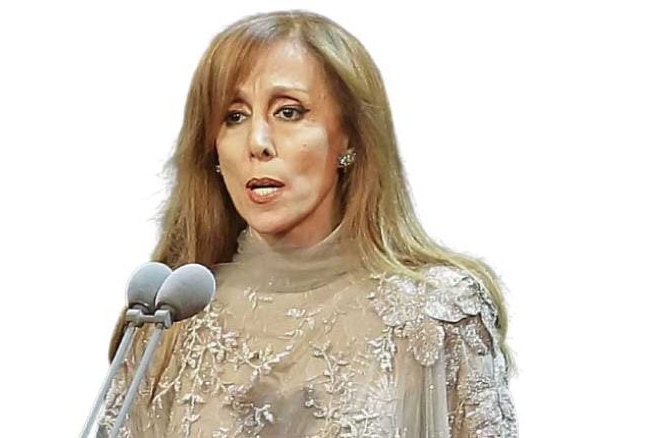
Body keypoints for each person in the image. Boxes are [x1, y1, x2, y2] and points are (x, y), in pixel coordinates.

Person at [97, 9, 517, 438]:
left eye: (288, 112)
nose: (258, 143)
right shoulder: (171, 321)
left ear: (349, 136)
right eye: (234, 116)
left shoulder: (437, 312)